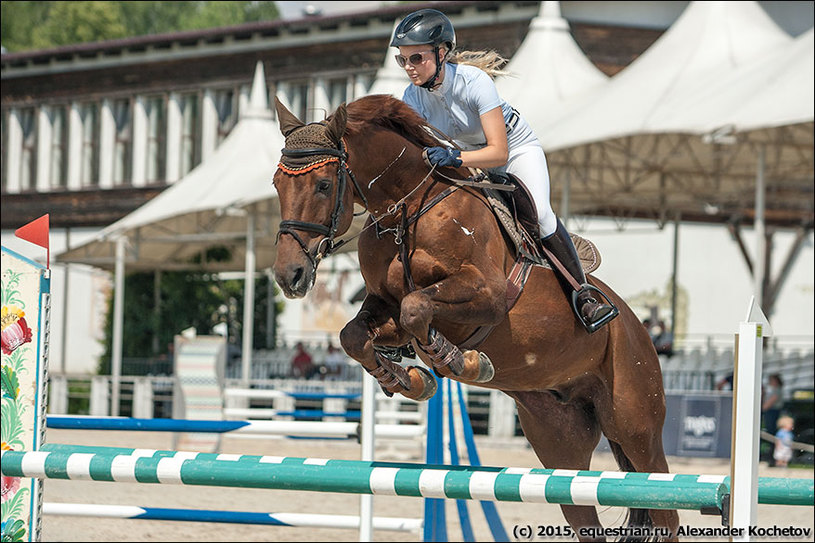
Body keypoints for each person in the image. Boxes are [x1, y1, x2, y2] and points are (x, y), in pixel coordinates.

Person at [390, 8, 618, 333]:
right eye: (403, 60)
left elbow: (499, 151)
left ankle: (583, 294)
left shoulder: (474, 82)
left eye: (416, 58)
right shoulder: (412, 98)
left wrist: (454, 158)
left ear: (442, 53)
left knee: (539, 215)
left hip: (515, 150)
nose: (409, 68)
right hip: (468, 158)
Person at [762, 373, 784, 438]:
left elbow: (772, 400)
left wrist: (763, 408)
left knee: (771, 428)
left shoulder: (777, 390)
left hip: (772, 411)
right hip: (771, 410)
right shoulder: (773, 390)